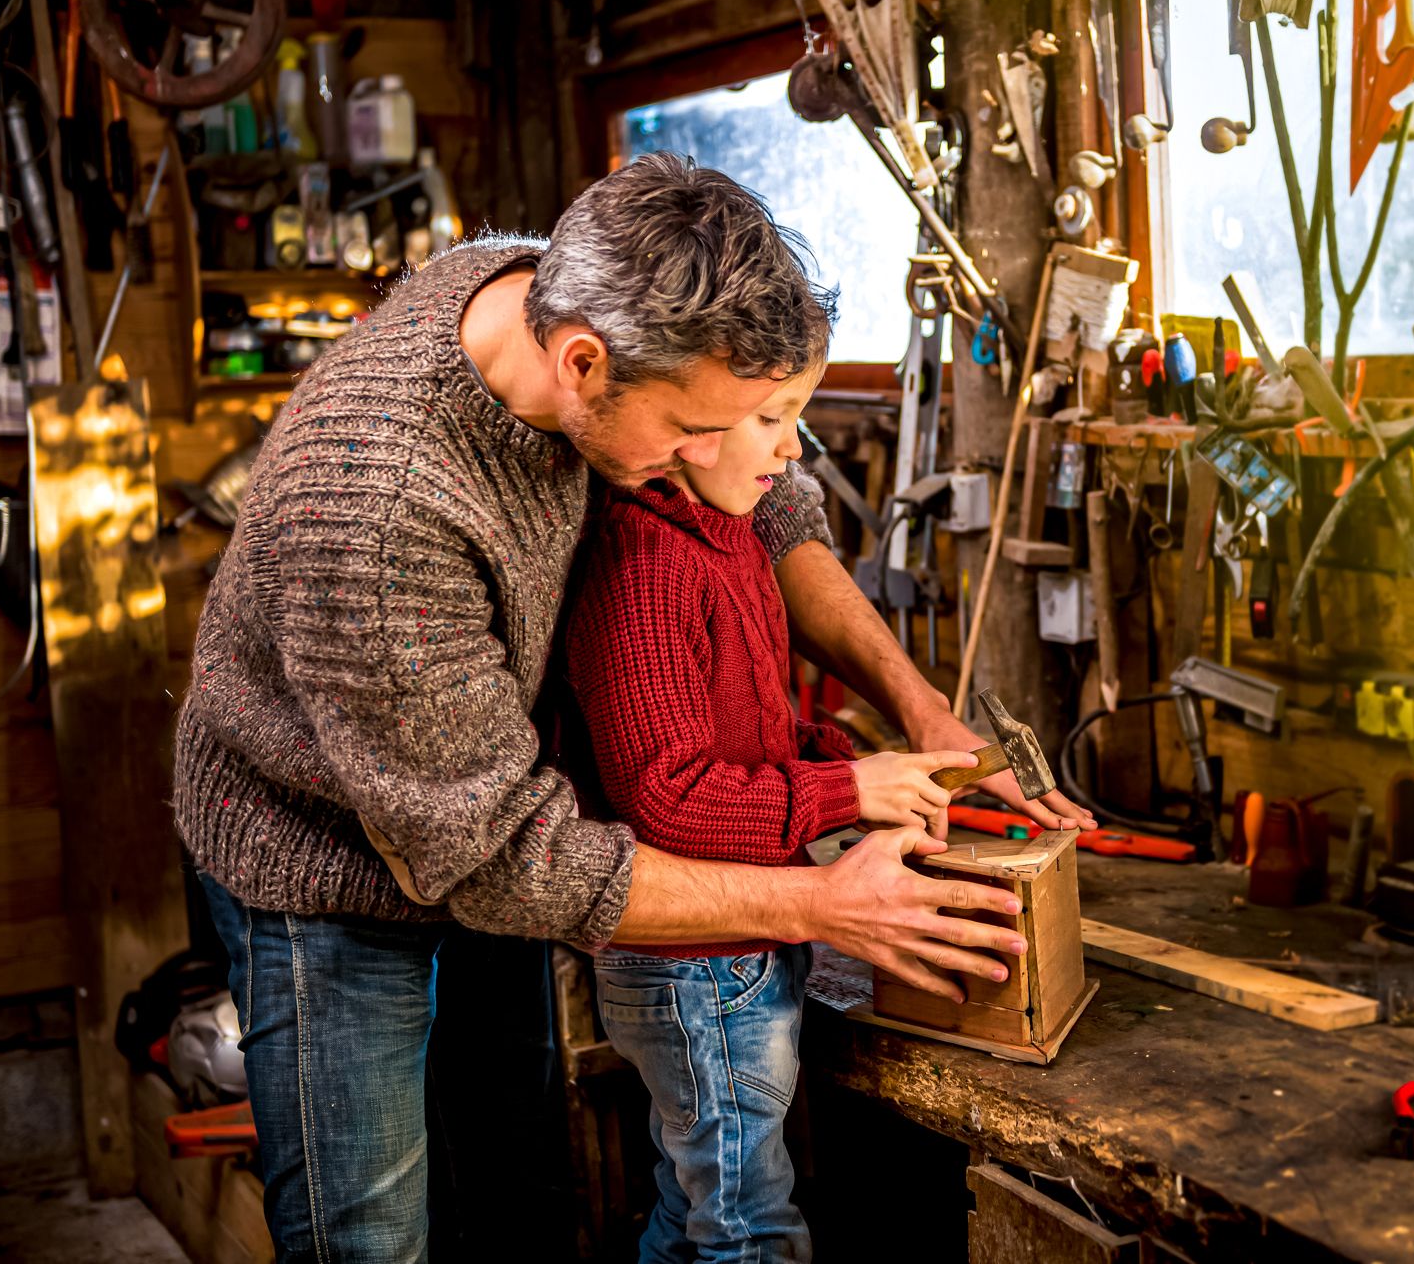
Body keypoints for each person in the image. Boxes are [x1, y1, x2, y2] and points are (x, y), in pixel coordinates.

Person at [173, 152, 1091, 1262]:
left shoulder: (574, 310)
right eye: (690, 434)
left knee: (518, 1196)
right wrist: (822, 907)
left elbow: (769, 508)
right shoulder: (380, 510)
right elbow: (499, 860)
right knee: (367, 1236)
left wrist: (920, 709)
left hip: (479, 793)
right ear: (581, 363)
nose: (711, 461)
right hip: (324, 852)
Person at [566, 366, 969, 1262]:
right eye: (773, 418)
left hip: (734, 953)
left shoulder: (732, 532)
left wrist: (851, 764)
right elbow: (667, 799)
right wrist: (845, 793)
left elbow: (748, 735)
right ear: (694, 429)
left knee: (693, 1206)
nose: (794, 449)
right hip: (695, 970)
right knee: (751, 1229)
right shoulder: (646, 566)